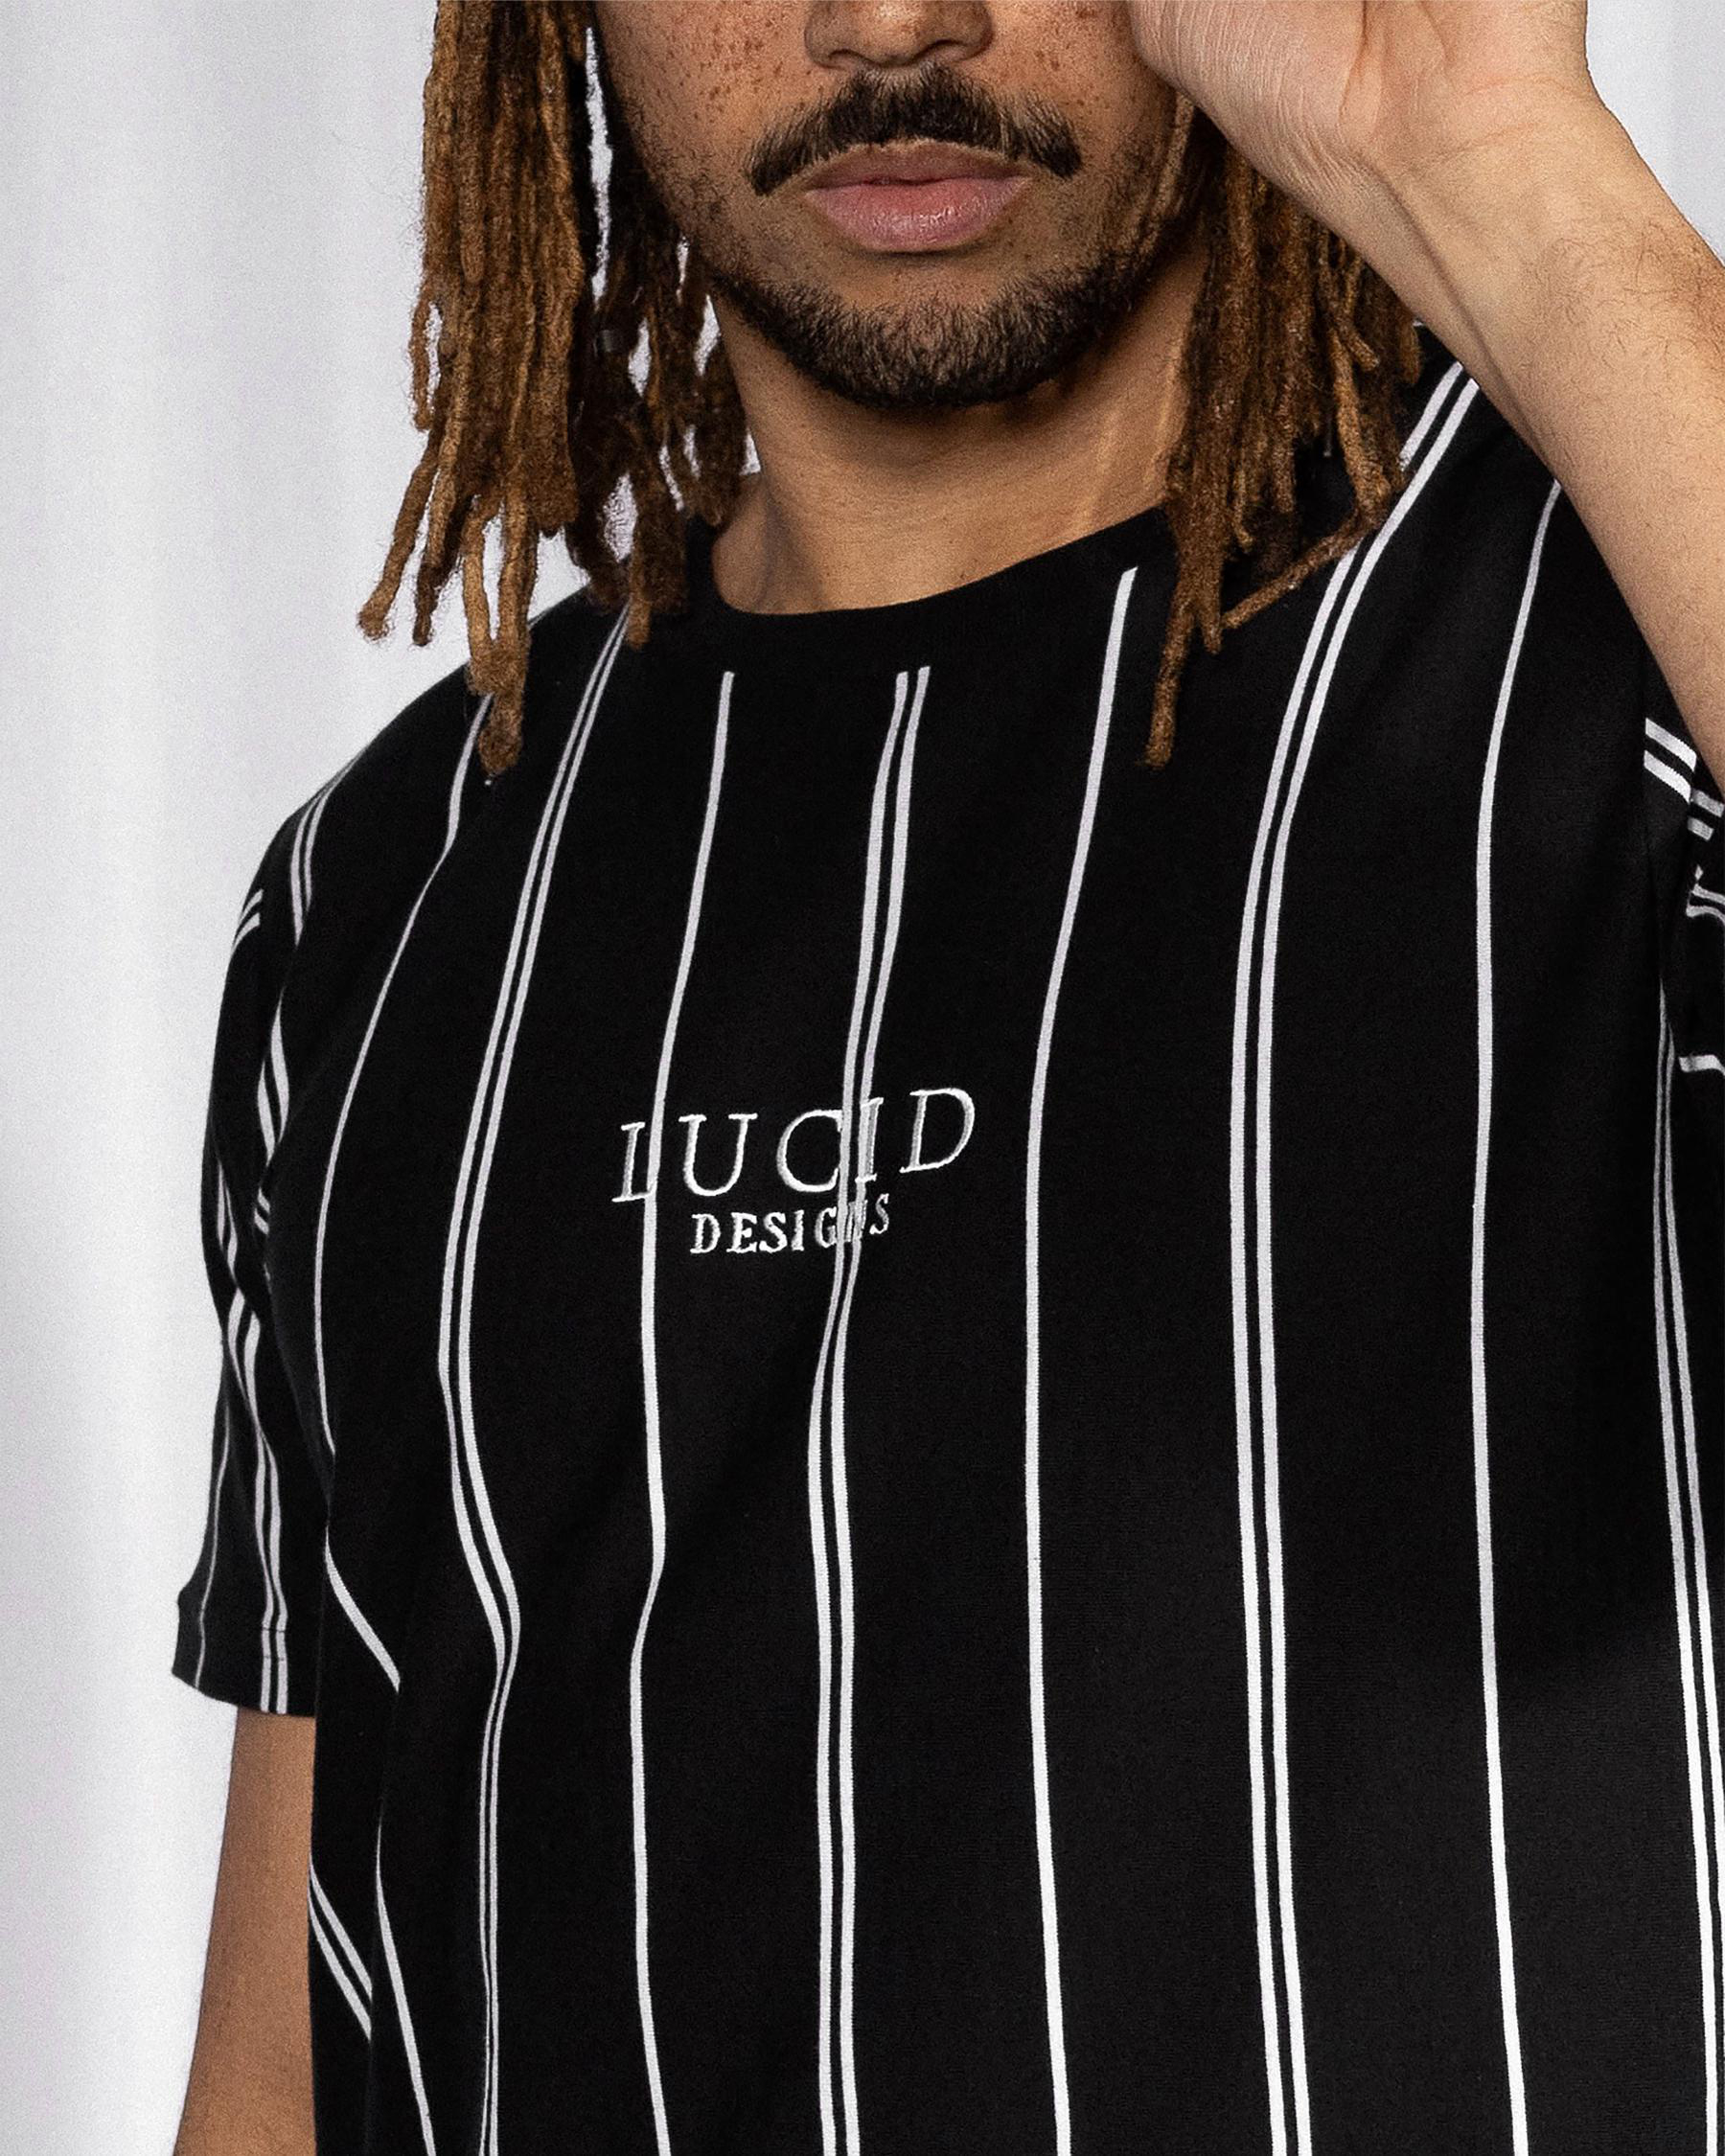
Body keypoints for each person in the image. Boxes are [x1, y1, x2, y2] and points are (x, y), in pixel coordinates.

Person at [169, 3, 1725, 2151]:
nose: (896, 22)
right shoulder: (390, 895)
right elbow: (283, 2070)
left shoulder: (1633, 643)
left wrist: (1503, 175)